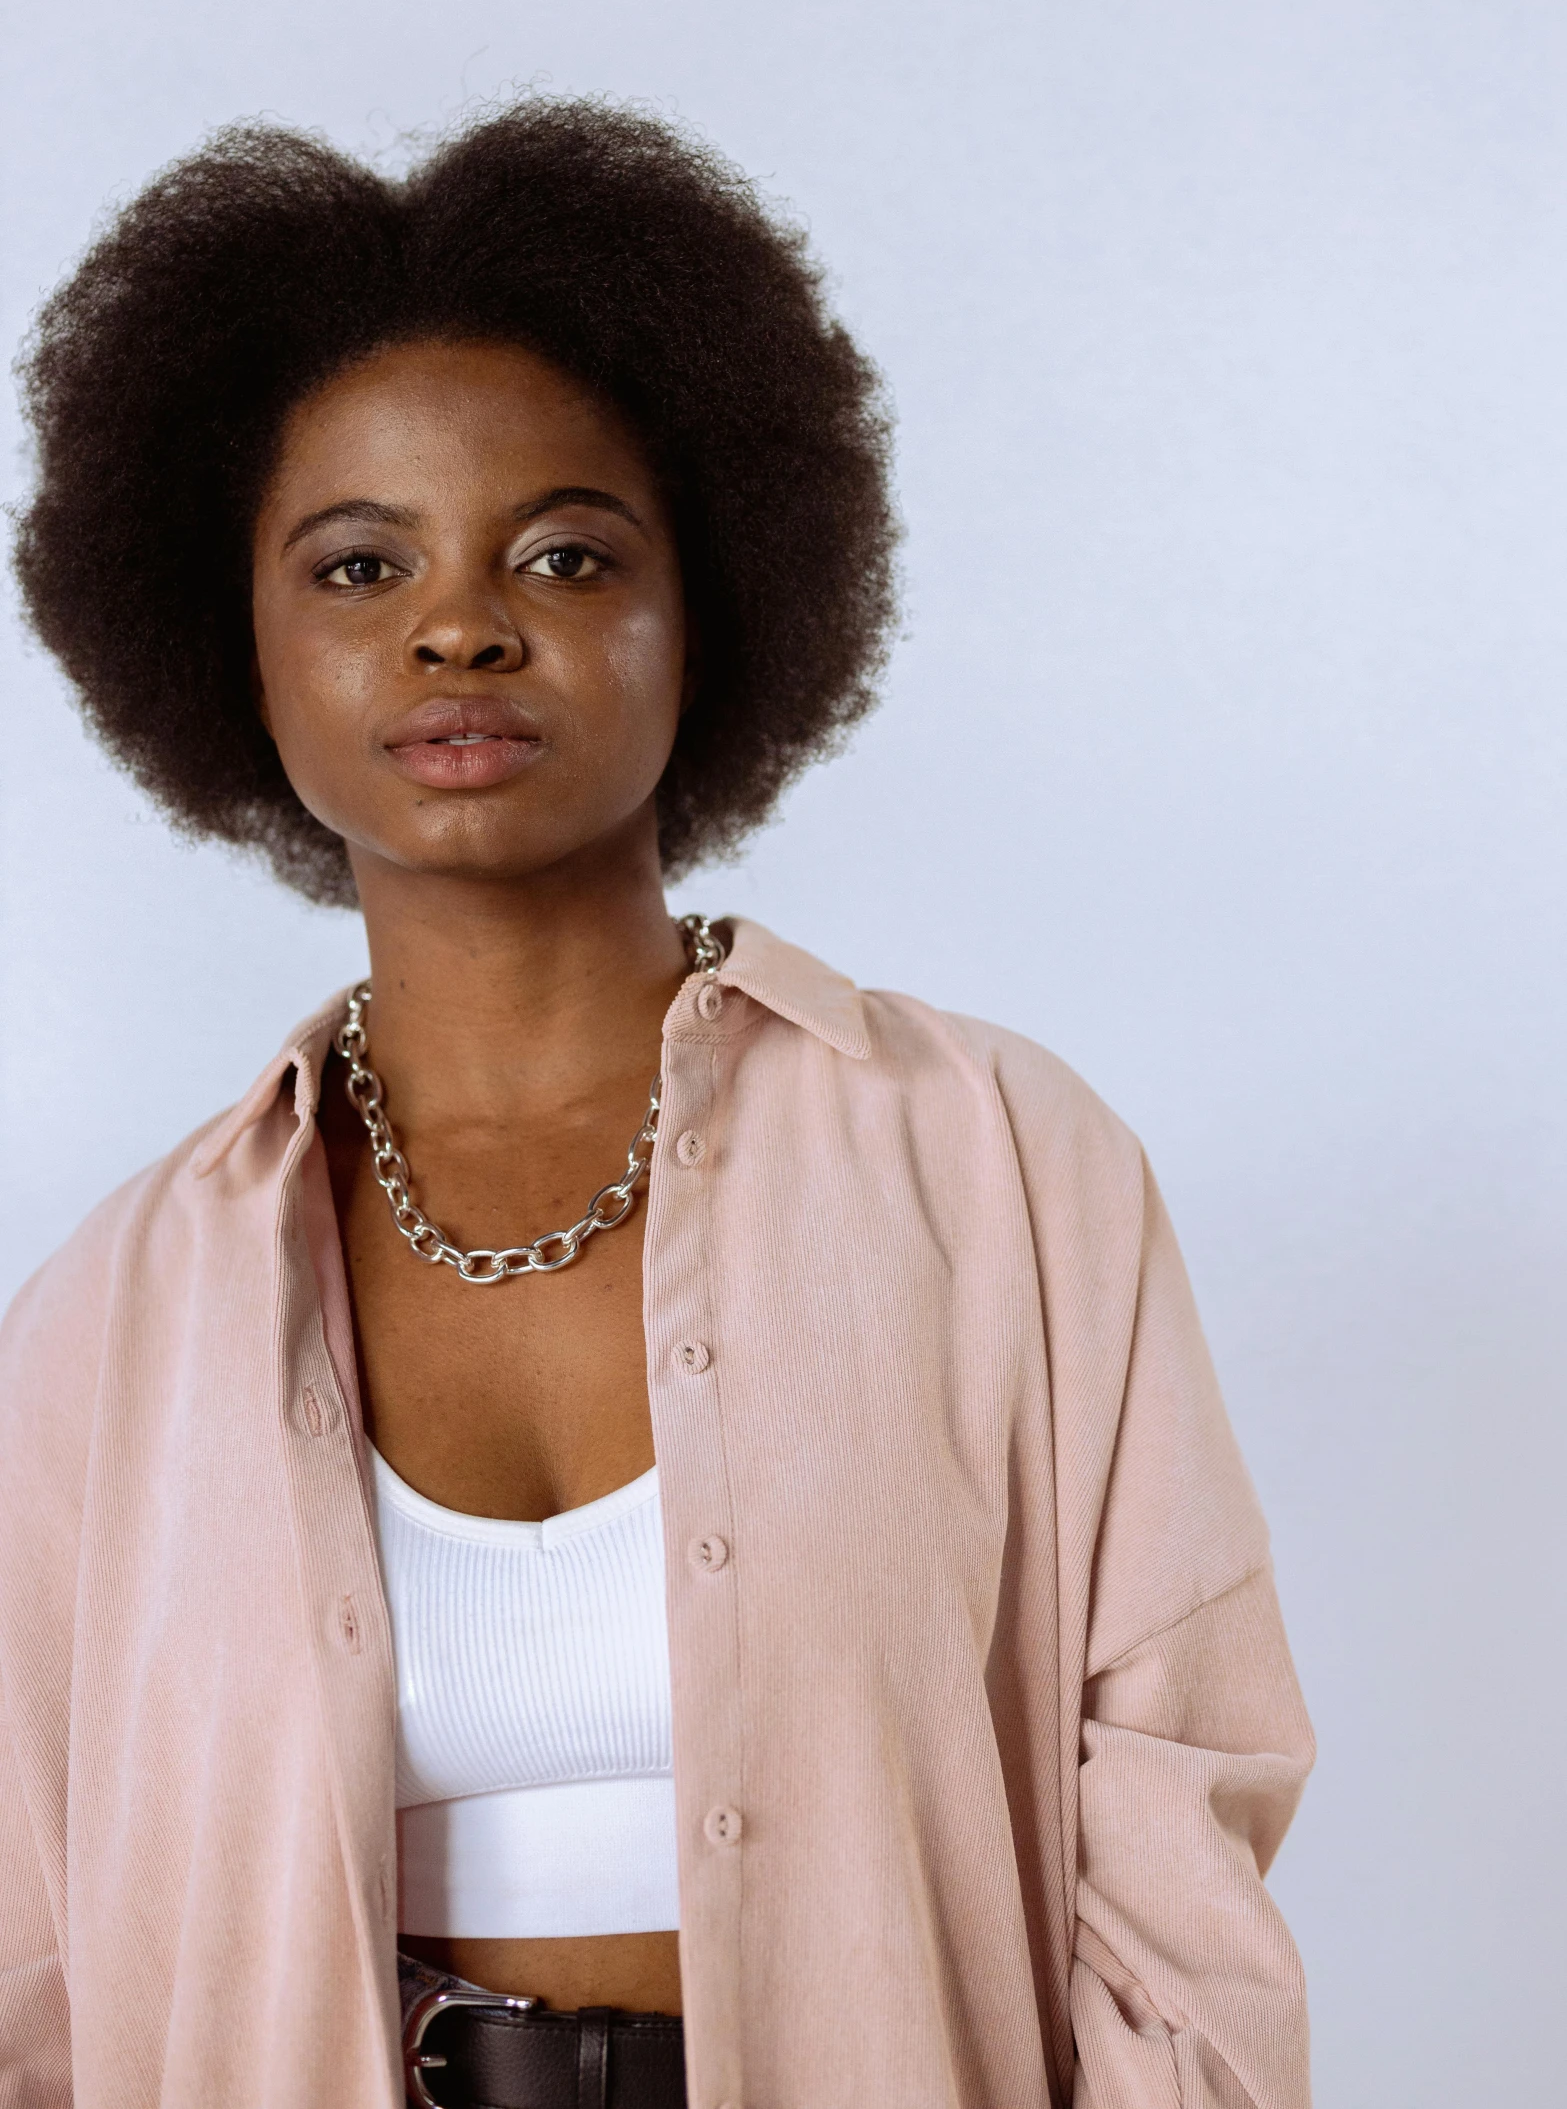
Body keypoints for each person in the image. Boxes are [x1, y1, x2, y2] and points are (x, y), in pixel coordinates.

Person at [0, 103, 1313, 2109]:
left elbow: (1174, 1844)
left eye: (566, 548)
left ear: (708, 605)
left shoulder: (1000, 1166)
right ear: (230, 636)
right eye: (361, 562)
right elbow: (39, 1970)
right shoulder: (116, 1316)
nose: (461, 622)